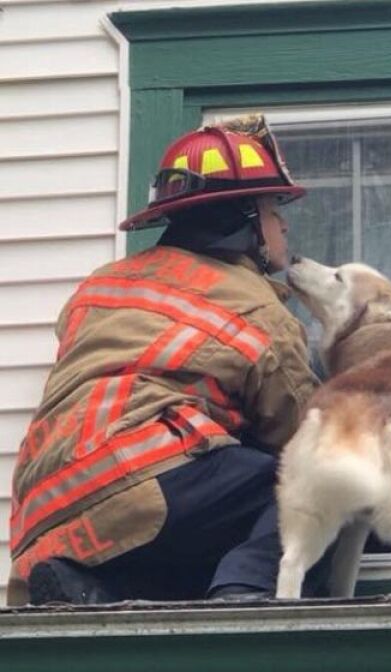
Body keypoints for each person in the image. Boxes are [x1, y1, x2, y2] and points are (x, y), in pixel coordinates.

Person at [6, 116, 321, 605]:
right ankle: (243, 591)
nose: (283, 222)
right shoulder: (256, 306)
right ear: (245, 220)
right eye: (273, 207)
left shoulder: (102, 285)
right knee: (320, 474)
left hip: (46, 514)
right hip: (149, 473)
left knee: (187, 549)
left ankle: (92, 590)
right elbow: (306, 434)